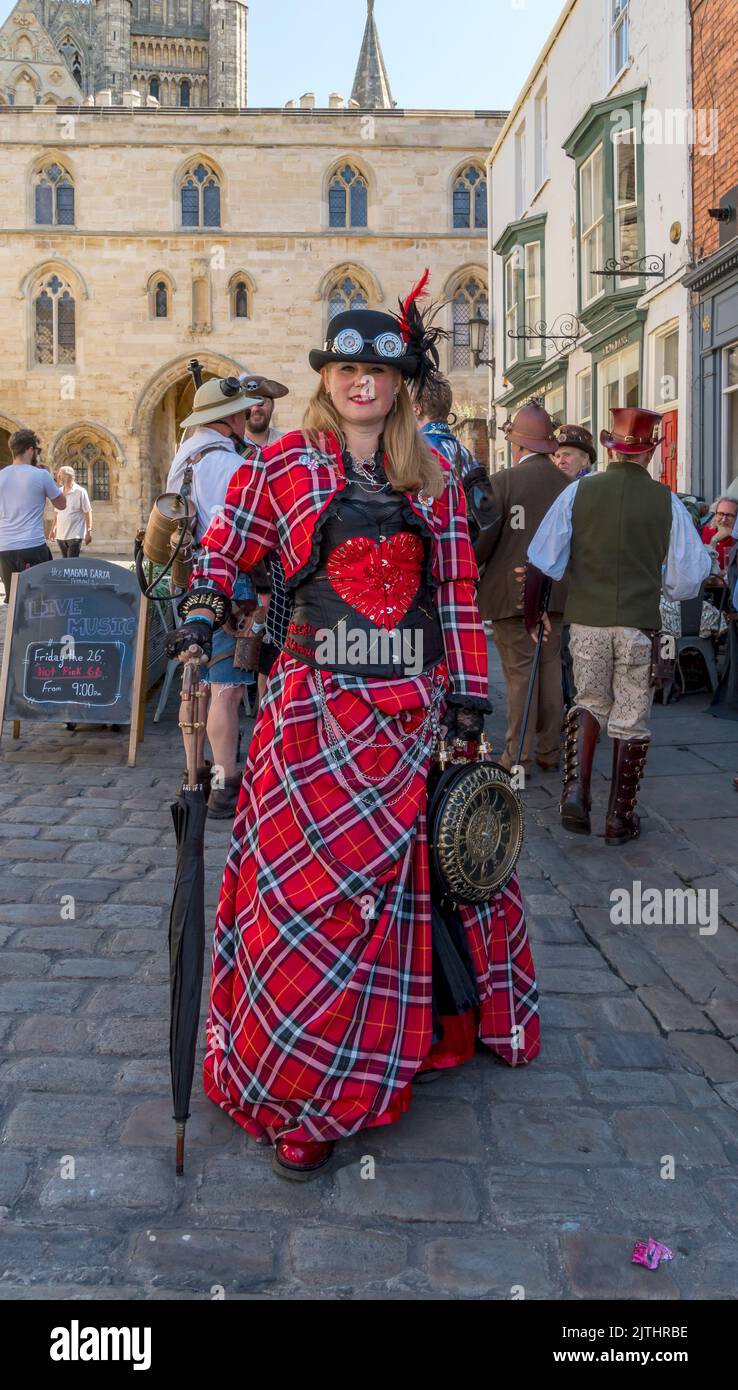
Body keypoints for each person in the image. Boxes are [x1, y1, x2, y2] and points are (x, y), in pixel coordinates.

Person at [167, 281, 540, 1180]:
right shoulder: (280, 463)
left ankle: (370, 1061)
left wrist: (469, 704)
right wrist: (206, 603)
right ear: (325, 378)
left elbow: (452, 594)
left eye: (378, 368)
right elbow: (227, 551)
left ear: (402, 381)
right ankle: (297, 1082)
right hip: (310, 720)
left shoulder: (436, 480)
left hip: (406, 720)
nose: (361, 382)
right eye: (345, 367)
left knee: (385, 904)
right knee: (304, 905)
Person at [528, 406, 712, 844]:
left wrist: (536, 611)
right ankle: (618, 818)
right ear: (650, 452)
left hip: (588, 621)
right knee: (631, 717)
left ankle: (577, 789)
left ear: (611, 447)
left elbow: (542, 557)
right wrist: (659, 582)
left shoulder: (579, 492)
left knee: (590, 700)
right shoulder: (666, 501)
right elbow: (686, 579)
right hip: (638, 625)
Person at [166, 375, 266, 818]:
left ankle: (194, 773)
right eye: (243, 412)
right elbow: (239, 531)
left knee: (195, 680)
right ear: (228, 418)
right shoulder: (228, 464)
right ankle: (225, 784)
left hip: (190, 581)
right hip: (229, 579)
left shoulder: (183, 456)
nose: (247, 418)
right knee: (225, 687)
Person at [475, 401, 569, 773]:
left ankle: (518, 755)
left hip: (510, 592)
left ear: (517, 445)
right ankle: (549, 748)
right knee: (549, 671)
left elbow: (484, 540)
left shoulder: (503, 482)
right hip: (557, 592)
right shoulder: (568, 486)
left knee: (518, 676)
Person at [413, 374, 496, 545]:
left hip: (428, 550)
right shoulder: (465, 454)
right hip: (462, 549)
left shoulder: (412, 452)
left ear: (417, 408)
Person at [0, 429, 65, 603]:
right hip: (32, 546)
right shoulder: (41, 475)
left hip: (5, 548)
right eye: (37, 450)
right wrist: (49, 478)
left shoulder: (1, 476)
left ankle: (15, 631)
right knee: (38, 600)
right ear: (30, 450)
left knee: (14, 600)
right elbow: (62, 504)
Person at [49, 465, 92, 557]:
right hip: (60, 535)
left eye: (60, 475)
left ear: (68, 476)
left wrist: (89, 532)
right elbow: (57, 513)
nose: (58, 477)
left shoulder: (80, 491)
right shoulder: (59, 492)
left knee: (71, 563)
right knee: (65, 562)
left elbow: (87, 512)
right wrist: (52, 529)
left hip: (75, 534)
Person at [701, 497, 738, 572]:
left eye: (730, 515)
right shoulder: (702, 532)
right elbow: (700, 567)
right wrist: (714, 540)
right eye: (720, 514)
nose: (724, 520)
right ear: (715, 515)